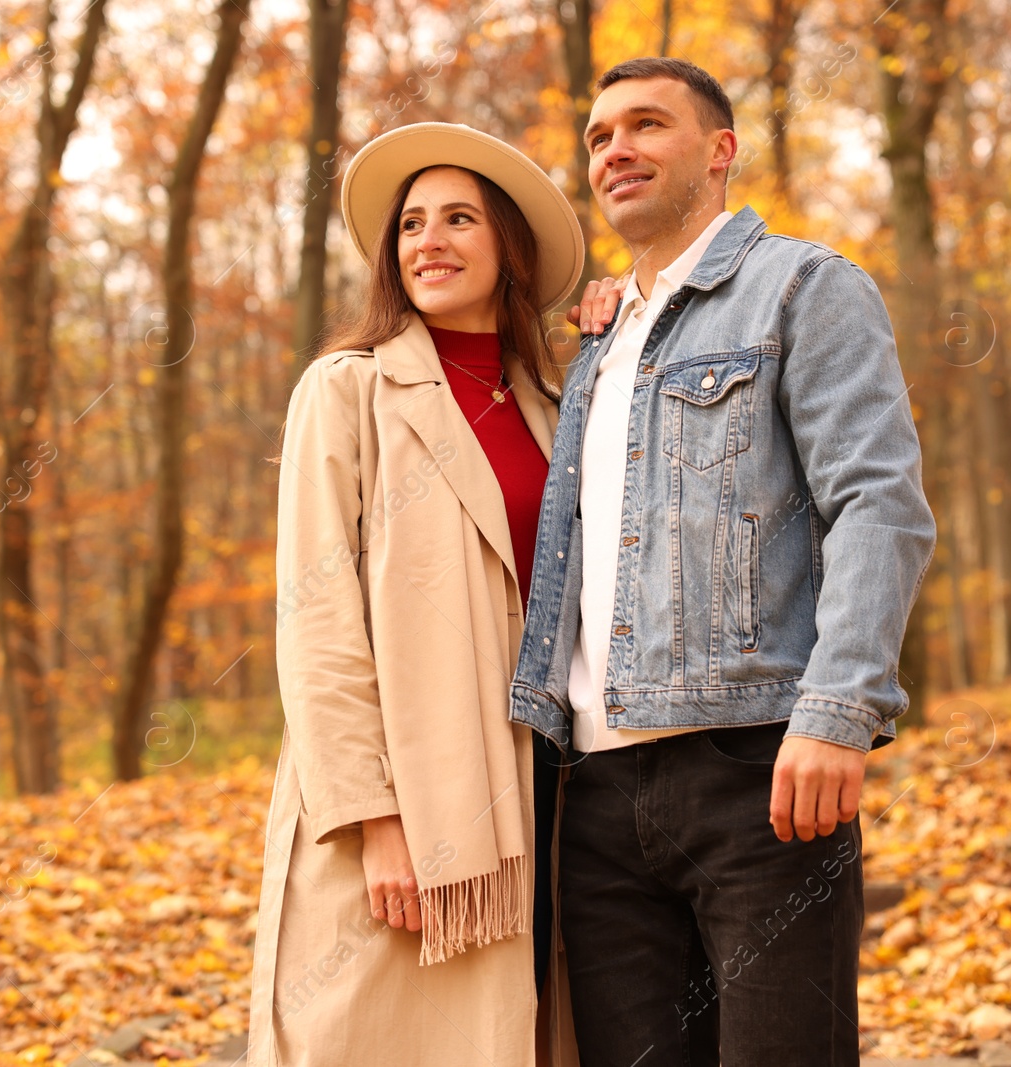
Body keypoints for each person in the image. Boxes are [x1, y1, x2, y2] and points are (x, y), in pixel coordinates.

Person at [509, 58, 937, 1067]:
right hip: (595, 792)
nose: (616, 148)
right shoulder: (600, 341)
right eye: (599, 136)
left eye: (646, 125)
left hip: (758, 770)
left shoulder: (804, 286)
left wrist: (840, 707)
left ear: (720, 150)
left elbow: (876, 502)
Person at [247, 122, 585, 1067]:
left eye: (459, 219)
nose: (428, 241)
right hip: (396, 810)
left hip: (540, 798)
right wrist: (377, 819)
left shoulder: (553, 405)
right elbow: (317, 623)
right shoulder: (346, 389)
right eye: (411, 225)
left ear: (508, 245)